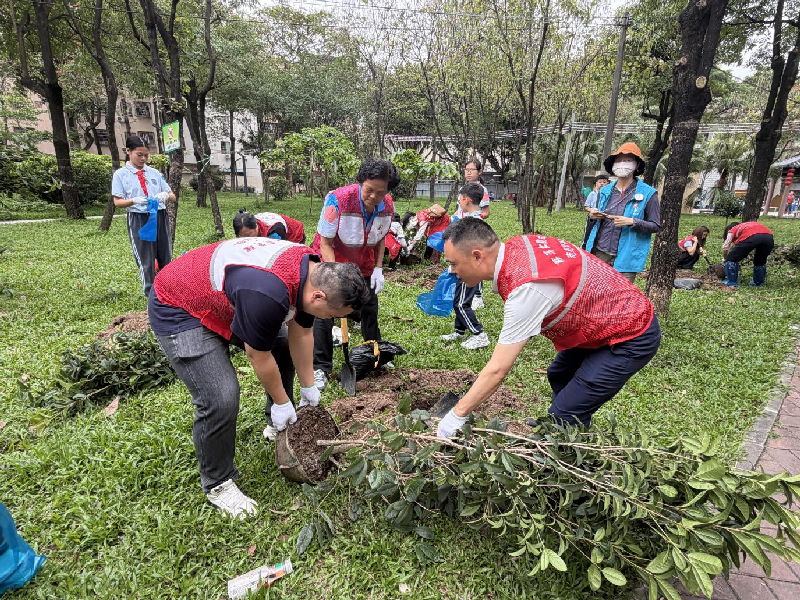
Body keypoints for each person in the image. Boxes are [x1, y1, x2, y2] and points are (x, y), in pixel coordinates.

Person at [148, 238, 370, 518]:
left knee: (282, 349)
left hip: (229, 296)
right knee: (221, 397)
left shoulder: (312, 272)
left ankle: (276, 427)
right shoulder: (268, 293)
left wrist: (308, 387)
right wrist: (281, 401)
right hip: (180, 305)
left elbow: (300, 333)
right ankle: (218, 483)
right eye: (333, 316)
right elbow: (258, 355)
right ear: (319, 298)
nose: (330, 320)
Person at [435, 218, 661, 438]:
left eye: (453, 263)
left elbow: (497, 369)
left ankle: (565, 430)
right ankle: (563, 427)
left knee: (565, 413)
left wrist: (458, 414)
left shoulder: (528, 290)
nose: (451, 272)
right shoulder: (519, 245)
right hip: (600, 318)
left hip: (630, 333)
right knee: (559, 373)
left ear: (477, 256)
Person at [311, 158, 399, 390]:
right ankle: (321, 367)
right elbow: (326, 243)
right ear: (361, 182)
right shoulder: (337, 200)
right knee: (324, 310)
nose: (373, 196)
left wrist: (379, 268)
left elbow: (380, 237)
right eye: (369, 190)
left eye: (380, 192)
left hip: (363, 262)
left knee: (370, 305)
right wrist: (335, 277)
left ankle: (374, 353)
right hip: (332, 259)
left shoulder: (387, 206)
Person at [584, 143, 661, 282]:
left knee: (620, 298)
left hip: (627, 258)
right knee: (596, 294)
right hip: (599, 252)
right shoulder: (605, 191)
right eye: (618, 161)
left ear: (637, 165)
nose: (622, 164)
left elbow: (655, 225)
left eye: (627, 160)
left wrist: (632, 221)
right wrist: (592, 216)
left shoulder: (649, 194)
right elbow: (593, 219)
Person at [112, 135, 176, 297]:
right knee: (146, 259)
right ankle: (151, 295)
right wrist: (133, 201)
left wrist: (165, 195)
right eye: (139, 155)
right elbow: (118, 202)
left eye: (146, 155)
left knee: (165, 256)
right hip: (139, 218)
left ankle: (168, 292)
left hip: (159, 216)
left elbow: (173, 196)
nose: (143, 158)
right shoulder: (121, 175)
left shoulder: (154, 173)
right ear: (128, 151)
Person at [440, 182, 490, 350]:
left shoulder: (471, 222)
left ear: (466, 200)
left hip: (468, 270)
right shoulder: (474, 219)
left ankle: (479, 334)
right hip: (466, 268)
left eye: (459, 199)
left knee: (461, 304)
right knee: (459, 299)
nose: (458, 202)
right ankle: (459, 331)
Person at [721, 221, 775, 287]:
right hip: (769, 238)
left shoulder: (731, 230)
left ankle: (732, 283)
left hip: (752, 237)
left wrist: (726, 258)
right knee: (760, 261)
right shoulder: (747, 226)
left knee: (731, 259)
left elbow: (726, 247)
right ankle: (758, 283)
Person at [233, 209, 306, 244]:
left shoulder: (274, 231)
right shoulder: (248, 223)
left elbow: (281, 249)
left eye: (248, 235)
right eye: (241, 237)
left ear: (256, 227)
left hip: (295, 234)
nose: (245, 239)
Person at [581, 174, 610, 249]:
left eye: (604, 182)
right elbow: (586, 206)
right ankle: (584, 246)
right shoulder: (592, 194)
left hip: (604, 218)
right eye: (600, 182)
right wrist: (592, 210)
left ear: (608, 184)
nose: (602, 184)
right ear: (596, 183)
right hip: (593, 217)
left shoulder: (609, 195)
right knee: (588, 232)